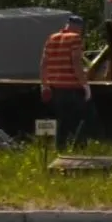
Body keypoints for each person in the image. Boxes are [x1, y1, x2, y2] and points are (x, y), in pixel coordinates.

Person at [39, 14, 92, 150]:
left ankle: (60, 148)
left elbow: (43, 64)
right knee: (79, 119)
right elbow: (76, 63)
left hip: (55, 87)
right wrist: (85, 85)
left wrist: (44, 85)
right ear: (78, 28)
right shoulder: (75, 39)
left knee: (61, 120)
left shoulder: (52, 38)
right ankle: (80, 149)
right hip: (72, 87)